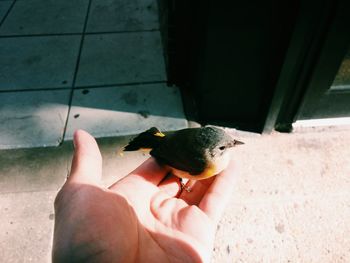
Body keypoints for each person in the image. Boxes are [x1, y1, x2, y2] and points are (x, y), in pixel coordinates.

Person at [52, 130, 237, 263]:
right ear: (210, 152)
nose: (231, 146)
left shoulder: (212, 155)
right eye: (223, 147)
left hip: (169, 139)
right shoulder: (202, 162)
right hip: (169, 150)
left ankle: (153, 137)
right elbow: (171, 158)